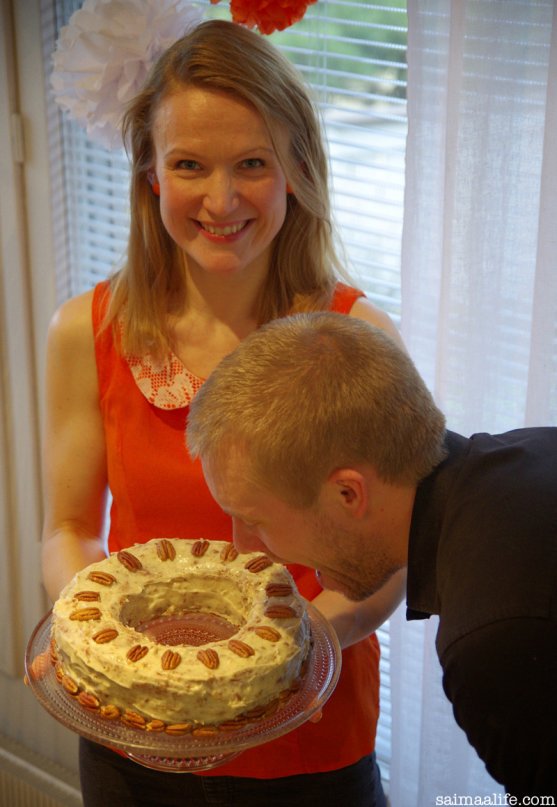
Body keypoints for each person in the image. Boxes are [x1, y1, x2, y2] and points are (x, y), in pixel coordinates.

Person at [41, 19, 407, 807]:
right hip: (138, 740)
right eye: (188, 165)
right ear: (150, 174)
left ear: (296, 171)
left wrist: (306, 644)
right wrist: (83, 633)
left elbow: (397, 555)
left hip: (309, 749)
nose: (221, 198)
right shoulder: (87, 331)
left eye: (251, 164)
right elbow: (68, 527)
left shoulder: (360, 341)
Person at [186, 311, 557, 799]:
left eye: (255, 520)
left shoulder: (493, 643)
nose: (243, 546)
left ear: (348, 494)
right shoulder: (535, 451)